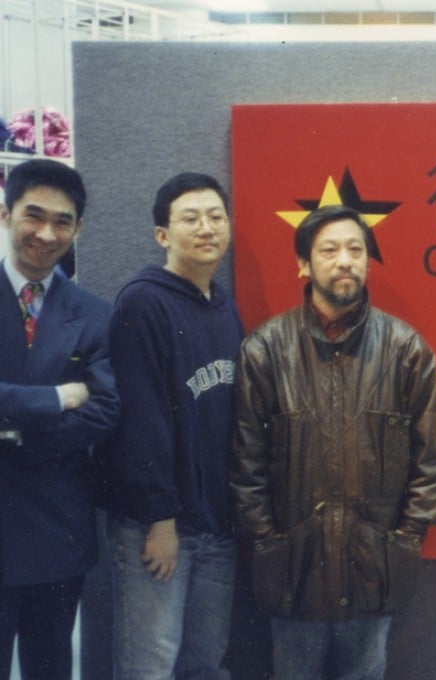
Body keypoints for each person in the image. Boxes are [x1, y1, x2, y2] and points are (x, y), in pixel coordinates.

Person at [231, 205, 436, 679]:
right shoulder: (265, 350)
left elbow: (430, 463)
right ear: (304, 264)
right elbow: (246, 466)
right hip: (293, 571)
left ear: (369, 261)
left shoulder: (405, 350)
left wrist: (404, 541)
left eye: (356, 249)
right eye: (329, 250)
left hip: (374, 570)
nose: (345, 260)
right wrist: (269, 541)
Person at [102, 173, 242, 678]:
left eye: (216, 217)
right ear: (163, 234)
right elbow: (139, 419)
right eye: (191, 219)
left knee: (207, 663)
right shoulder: (143, 302)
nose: (206, 228)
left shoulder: (223, 306)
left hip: (215, 524)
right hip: (158, 524)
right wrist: (160, 521)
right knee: (150, 665)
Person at [0, 159, 119, 679]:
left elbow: (105, 409)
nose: (46, 234)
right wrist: (54, 399)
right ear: (5, 214)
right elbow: (74, 406)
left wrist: (12, 436)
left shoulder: (94, 313)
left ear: (78, 228)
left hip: (57, 529)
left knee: (50, 667)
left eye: (62, 222)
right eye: (34, 215)